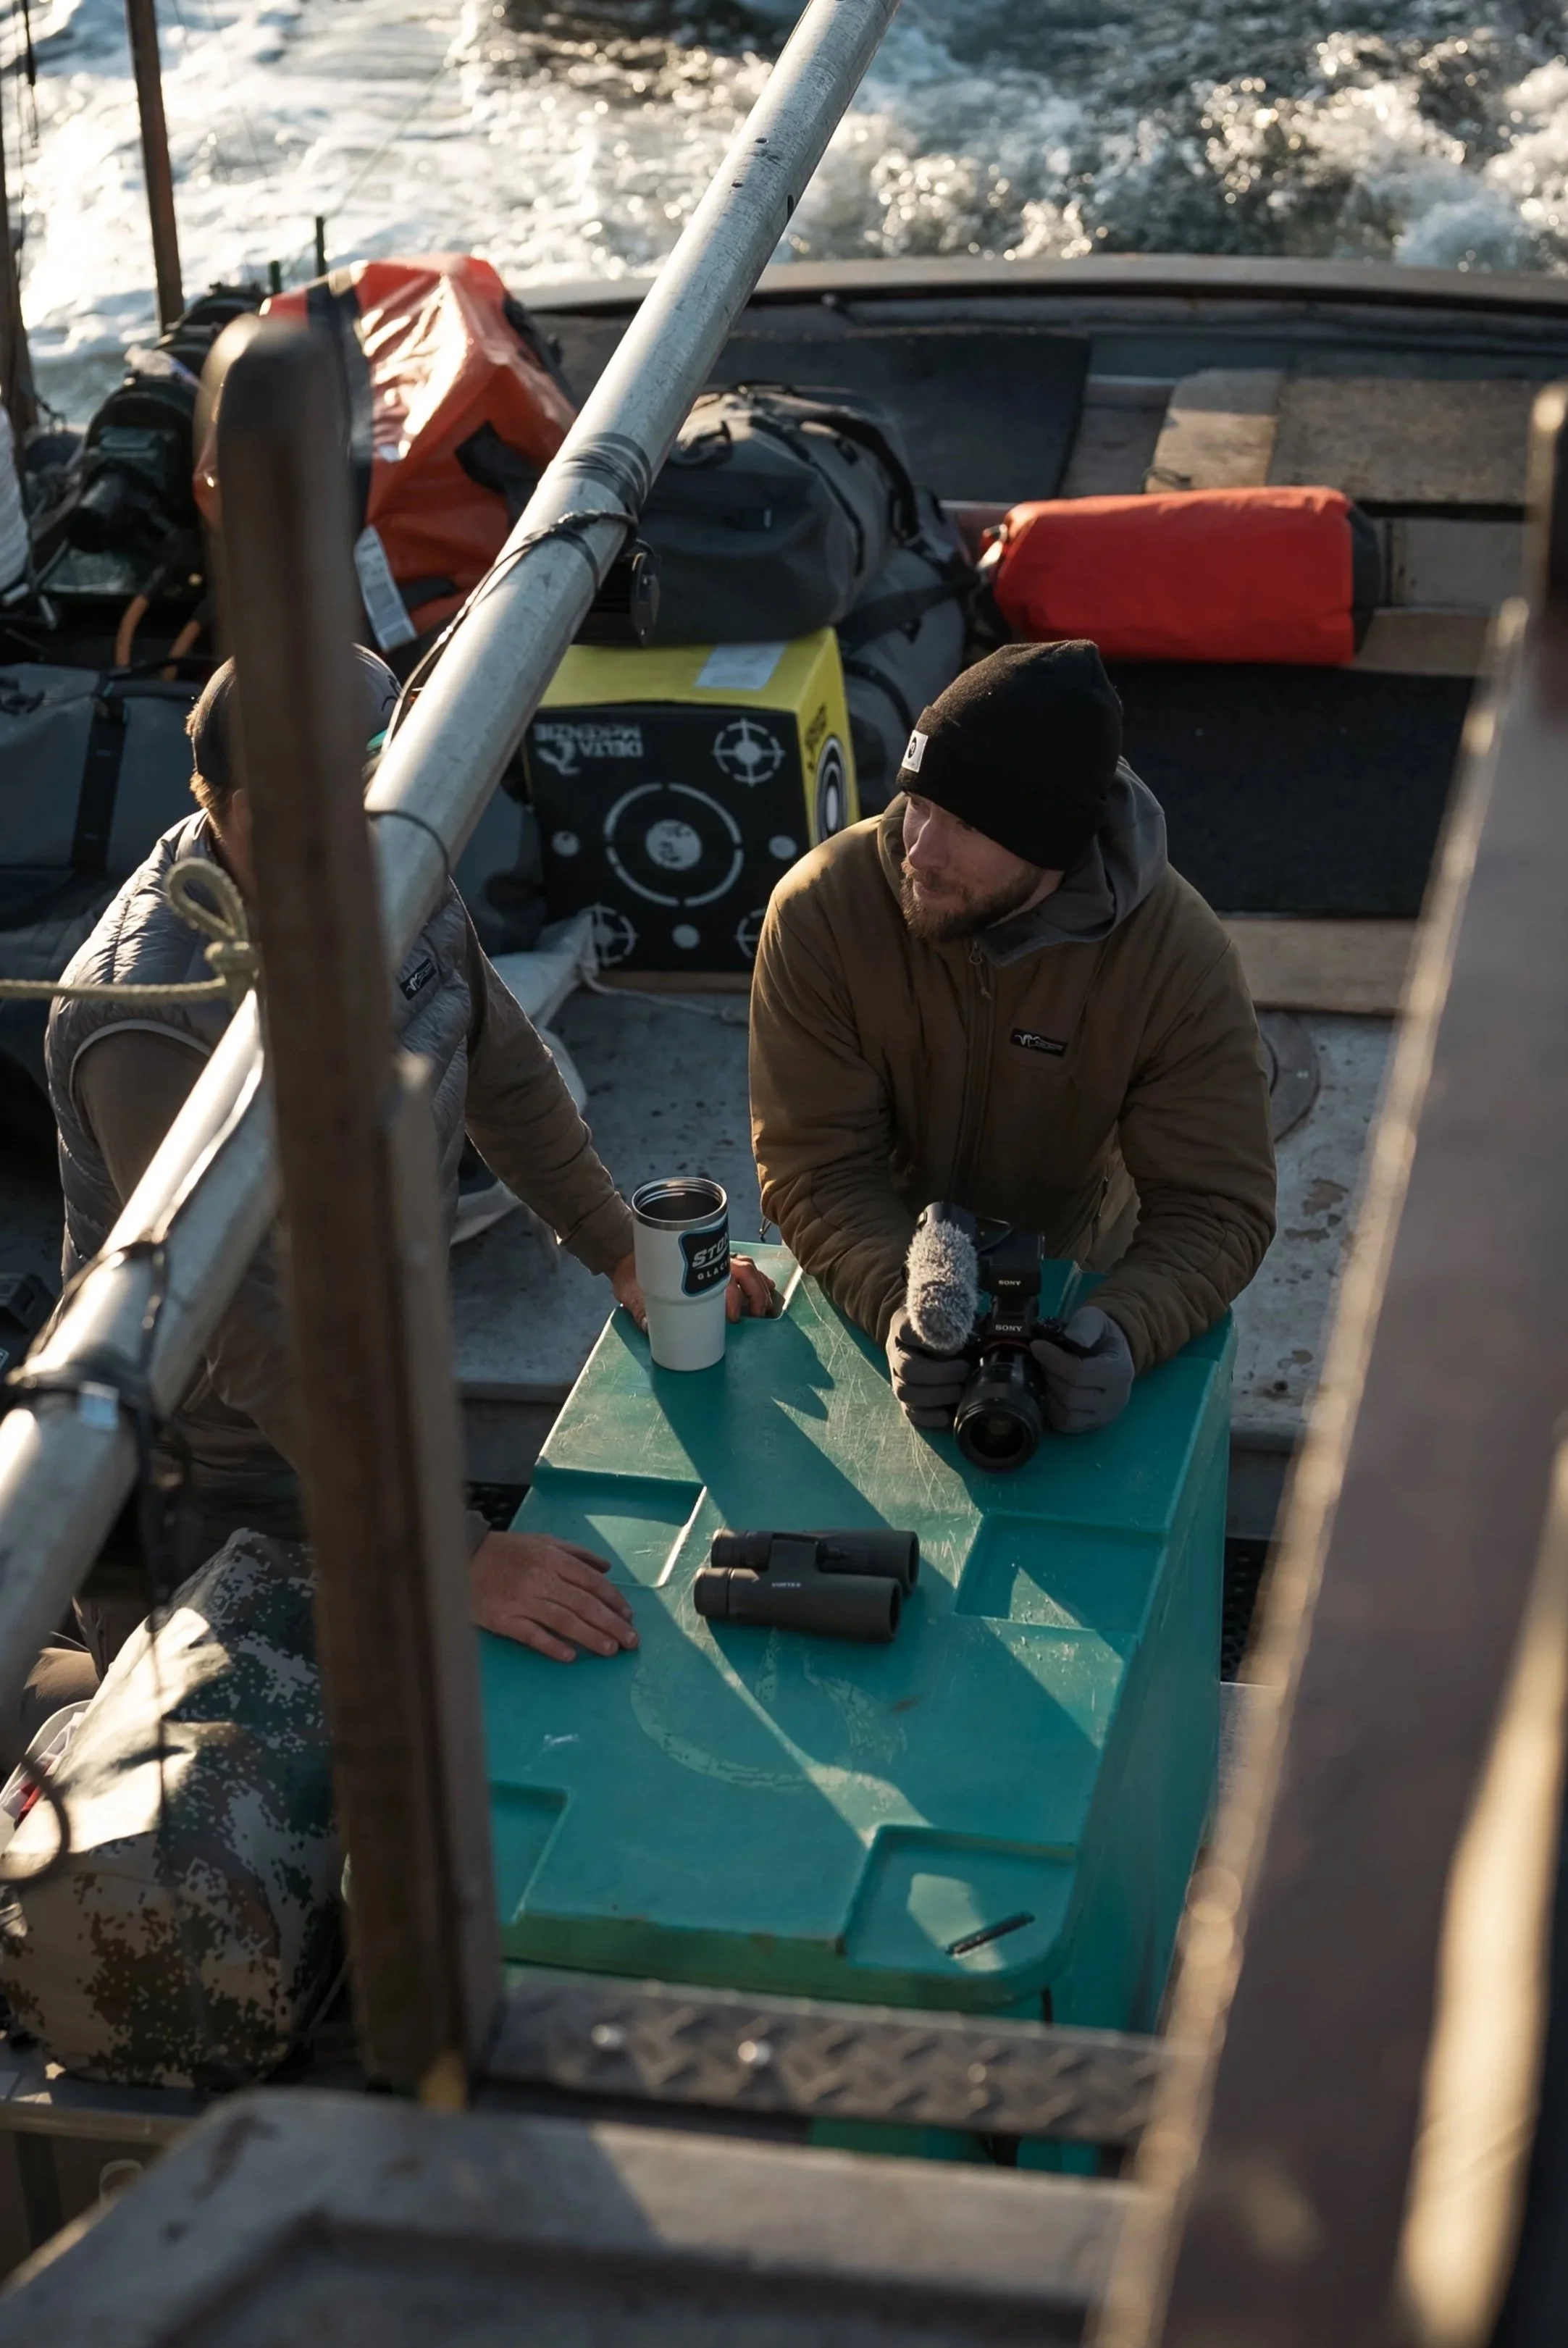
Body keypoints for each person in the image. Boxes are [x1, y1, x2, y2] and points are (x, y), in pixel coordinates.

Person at [38, 649, 771, 1715]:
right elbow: (255, 1335)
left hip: (366, 1412)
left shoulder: (390, 868)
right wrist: (452, 1552)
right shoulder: (148, 1018)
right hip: (208, 1485)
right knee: (256, 1812)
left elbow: (504, 1070)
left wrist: (619, 1245)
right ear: (233, 806)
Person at [748, 639, 1276, 1437]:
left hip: (1076, 1282)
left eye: (962, 824)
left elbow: (1215, 1203)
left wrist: (1127, 1327)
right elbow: (815, 1162)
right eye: (918, 801)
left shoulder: (1175, 958)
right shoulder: (822, 911)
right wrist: (898, 1299)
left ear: (1052, 848)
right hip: (864, 1268)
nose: (917, 850)